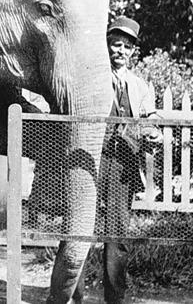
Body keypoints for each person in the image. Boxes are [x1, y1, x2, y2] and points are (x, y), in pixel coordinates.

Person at [61, 16, 162, 304]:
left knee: (117, 233)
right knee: (81, 229)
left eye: (126, 46)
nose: (120, 50)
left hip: (123, 165)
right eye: (115, 44)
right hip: (91, 159)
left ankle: (114, 299)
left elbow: (149, 118)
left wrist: (153, 132)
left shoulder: (140, 86)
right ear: (106, 46)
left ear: (133, 51)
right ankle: (73, 296)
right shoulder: (92, 79)